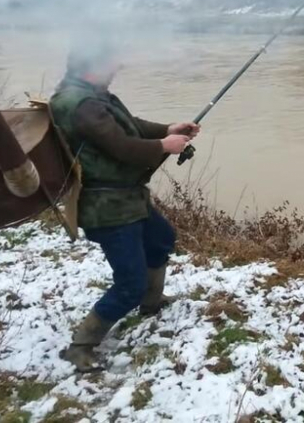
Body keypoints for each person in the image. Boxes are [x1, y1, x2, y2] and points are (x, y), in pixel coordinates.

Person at [49, 38, 199, 372]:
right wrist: (165, 144)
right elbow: (122, 146)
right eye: (112, 62)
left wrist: (167, 129)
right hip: (108, 207)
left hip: (126, 198)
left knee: (160, 239)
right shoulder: (80, 104)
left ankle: (152, 300)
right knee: (128, 283)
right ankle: (82, 344)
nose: (117, 67)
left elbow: (126, 125)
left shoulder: (89, 96)